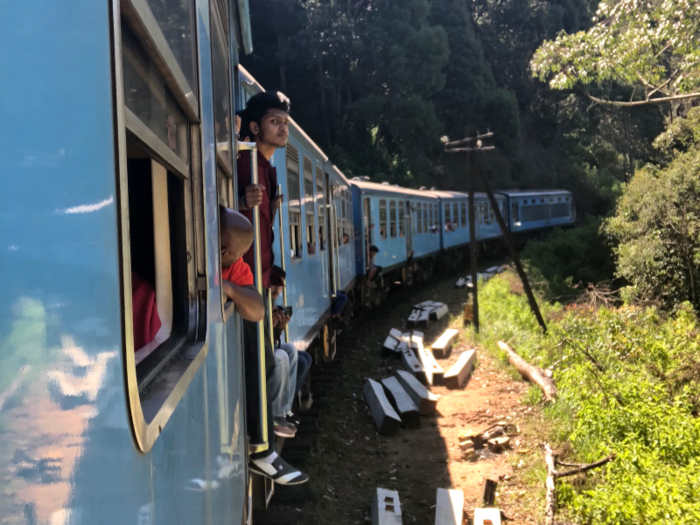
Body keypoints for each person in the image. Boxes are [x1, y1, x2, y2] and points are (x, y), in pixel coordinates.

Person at [220, 207, 308, 485]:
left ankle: (273, 424)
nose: (241, 260)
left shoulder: (232, 267)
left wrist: (230, 289)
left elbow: (257, 308)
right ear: (223, 252)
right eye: (238, 254)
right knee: (270, 356)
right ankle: (260, 445)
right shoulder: (221, 262)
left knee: (280, 353)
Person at [236, 91, 290, 289]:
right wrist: (240, 202)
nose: (283, 128)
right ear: (254, 127)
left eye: (286, 123)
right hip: (244, 285)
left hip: (258, 283)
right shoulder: (243, 164)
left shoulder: (265, 170)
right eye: (275, 121)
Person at [270, 266, 312, 411]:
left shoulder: (273, 304)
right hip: (264, 352)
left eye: (280, 286)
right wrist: (270, 324)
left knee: (306, 357)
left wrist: (280, 326)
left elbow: (273, 339)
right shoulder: (263, 302)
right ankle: (283, 407)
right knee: (301, 361)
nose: (277, 290)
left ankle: (288, 402)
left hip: (269, 348)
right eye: (274, 284)